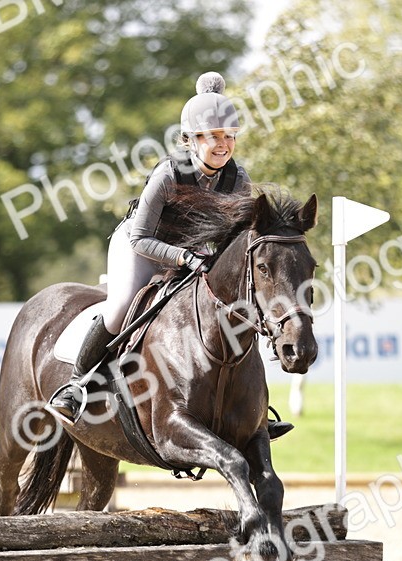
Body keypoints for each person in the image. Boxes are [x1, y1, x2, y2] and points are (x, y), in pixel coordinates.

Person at [49, 72, 292, 439]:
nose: (223, 144)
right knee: (121, 307)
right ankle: (77, 386)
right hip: (142, 246)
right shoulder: (168, 175)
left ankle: (252, 409)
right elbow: (141, 238)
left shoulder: (237, 179)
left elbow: (236, 240)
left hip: (194, 252)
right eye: (213, 136)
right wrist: (186, 259)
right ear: (190, 140)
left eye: (229, 136)